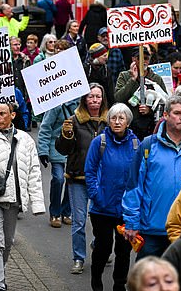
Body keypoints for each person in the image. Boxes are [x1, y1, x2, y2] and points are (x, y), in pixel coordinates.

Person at [122, 95, 181, 259]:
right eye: (177, 113)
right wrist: (132, 222)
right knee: (147, 281)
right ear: (165, 115)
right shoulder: (148, 146)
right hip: (153, 230)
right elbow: (134, 186)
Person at [0, 103, 46, 291]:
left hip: (13, 199)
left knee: (7, 241)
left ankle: (1, 272)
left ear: (12, 115)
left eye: (2, 114)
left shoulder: (25, 139)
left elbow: (33, 172)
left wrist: (37, 203)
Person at [55, 84, 109, 275]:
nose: (94, 100)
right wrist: (67, 135)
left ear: (103, 99)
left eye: (98, 97)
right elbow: (63, 150)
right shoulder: (73, 120)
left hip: (102, 180)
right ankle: (78, 257)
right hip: (78, 177)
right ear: (84, 99)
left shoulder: (110, 121)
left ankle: (99, 244)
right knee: (79, 221)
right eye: (91, 97)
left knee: (101, 219)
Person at [85, 103, 138, 290]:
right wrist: (96, 195)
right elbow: (89, 171)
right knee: (103, 246)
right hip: (102, 207)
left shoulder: (135, 144)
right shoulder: (99, 142)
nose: (117, 122)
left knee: (124, 250)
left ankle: (119, 284)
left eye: (121, 118)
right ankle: (96, 278)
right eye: (113, 118)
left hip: (125, 209)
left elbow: (137, 175)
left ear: (128, 122)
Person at [37, 96, 76, 228]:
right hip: (57, 147)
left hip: (75, 149)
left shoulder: (81, 105)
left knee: (72, 180)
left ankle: (66, 211)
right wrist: (43, 151)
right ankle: (55, 212)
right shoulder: (56, 105)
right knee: (58, 179)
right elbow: (46, 127)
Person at [115, 47, 168, 140]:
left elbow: (165, 103)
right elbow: (118, 98)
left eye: (146, 58)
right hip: (129, 123)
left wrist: (150, 110)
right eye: (140, 58)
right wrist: (132, 80)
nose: (144, 61)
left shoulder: (156, 79)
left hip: (150, 125)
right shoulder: (124, 76)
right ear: (134, 60)